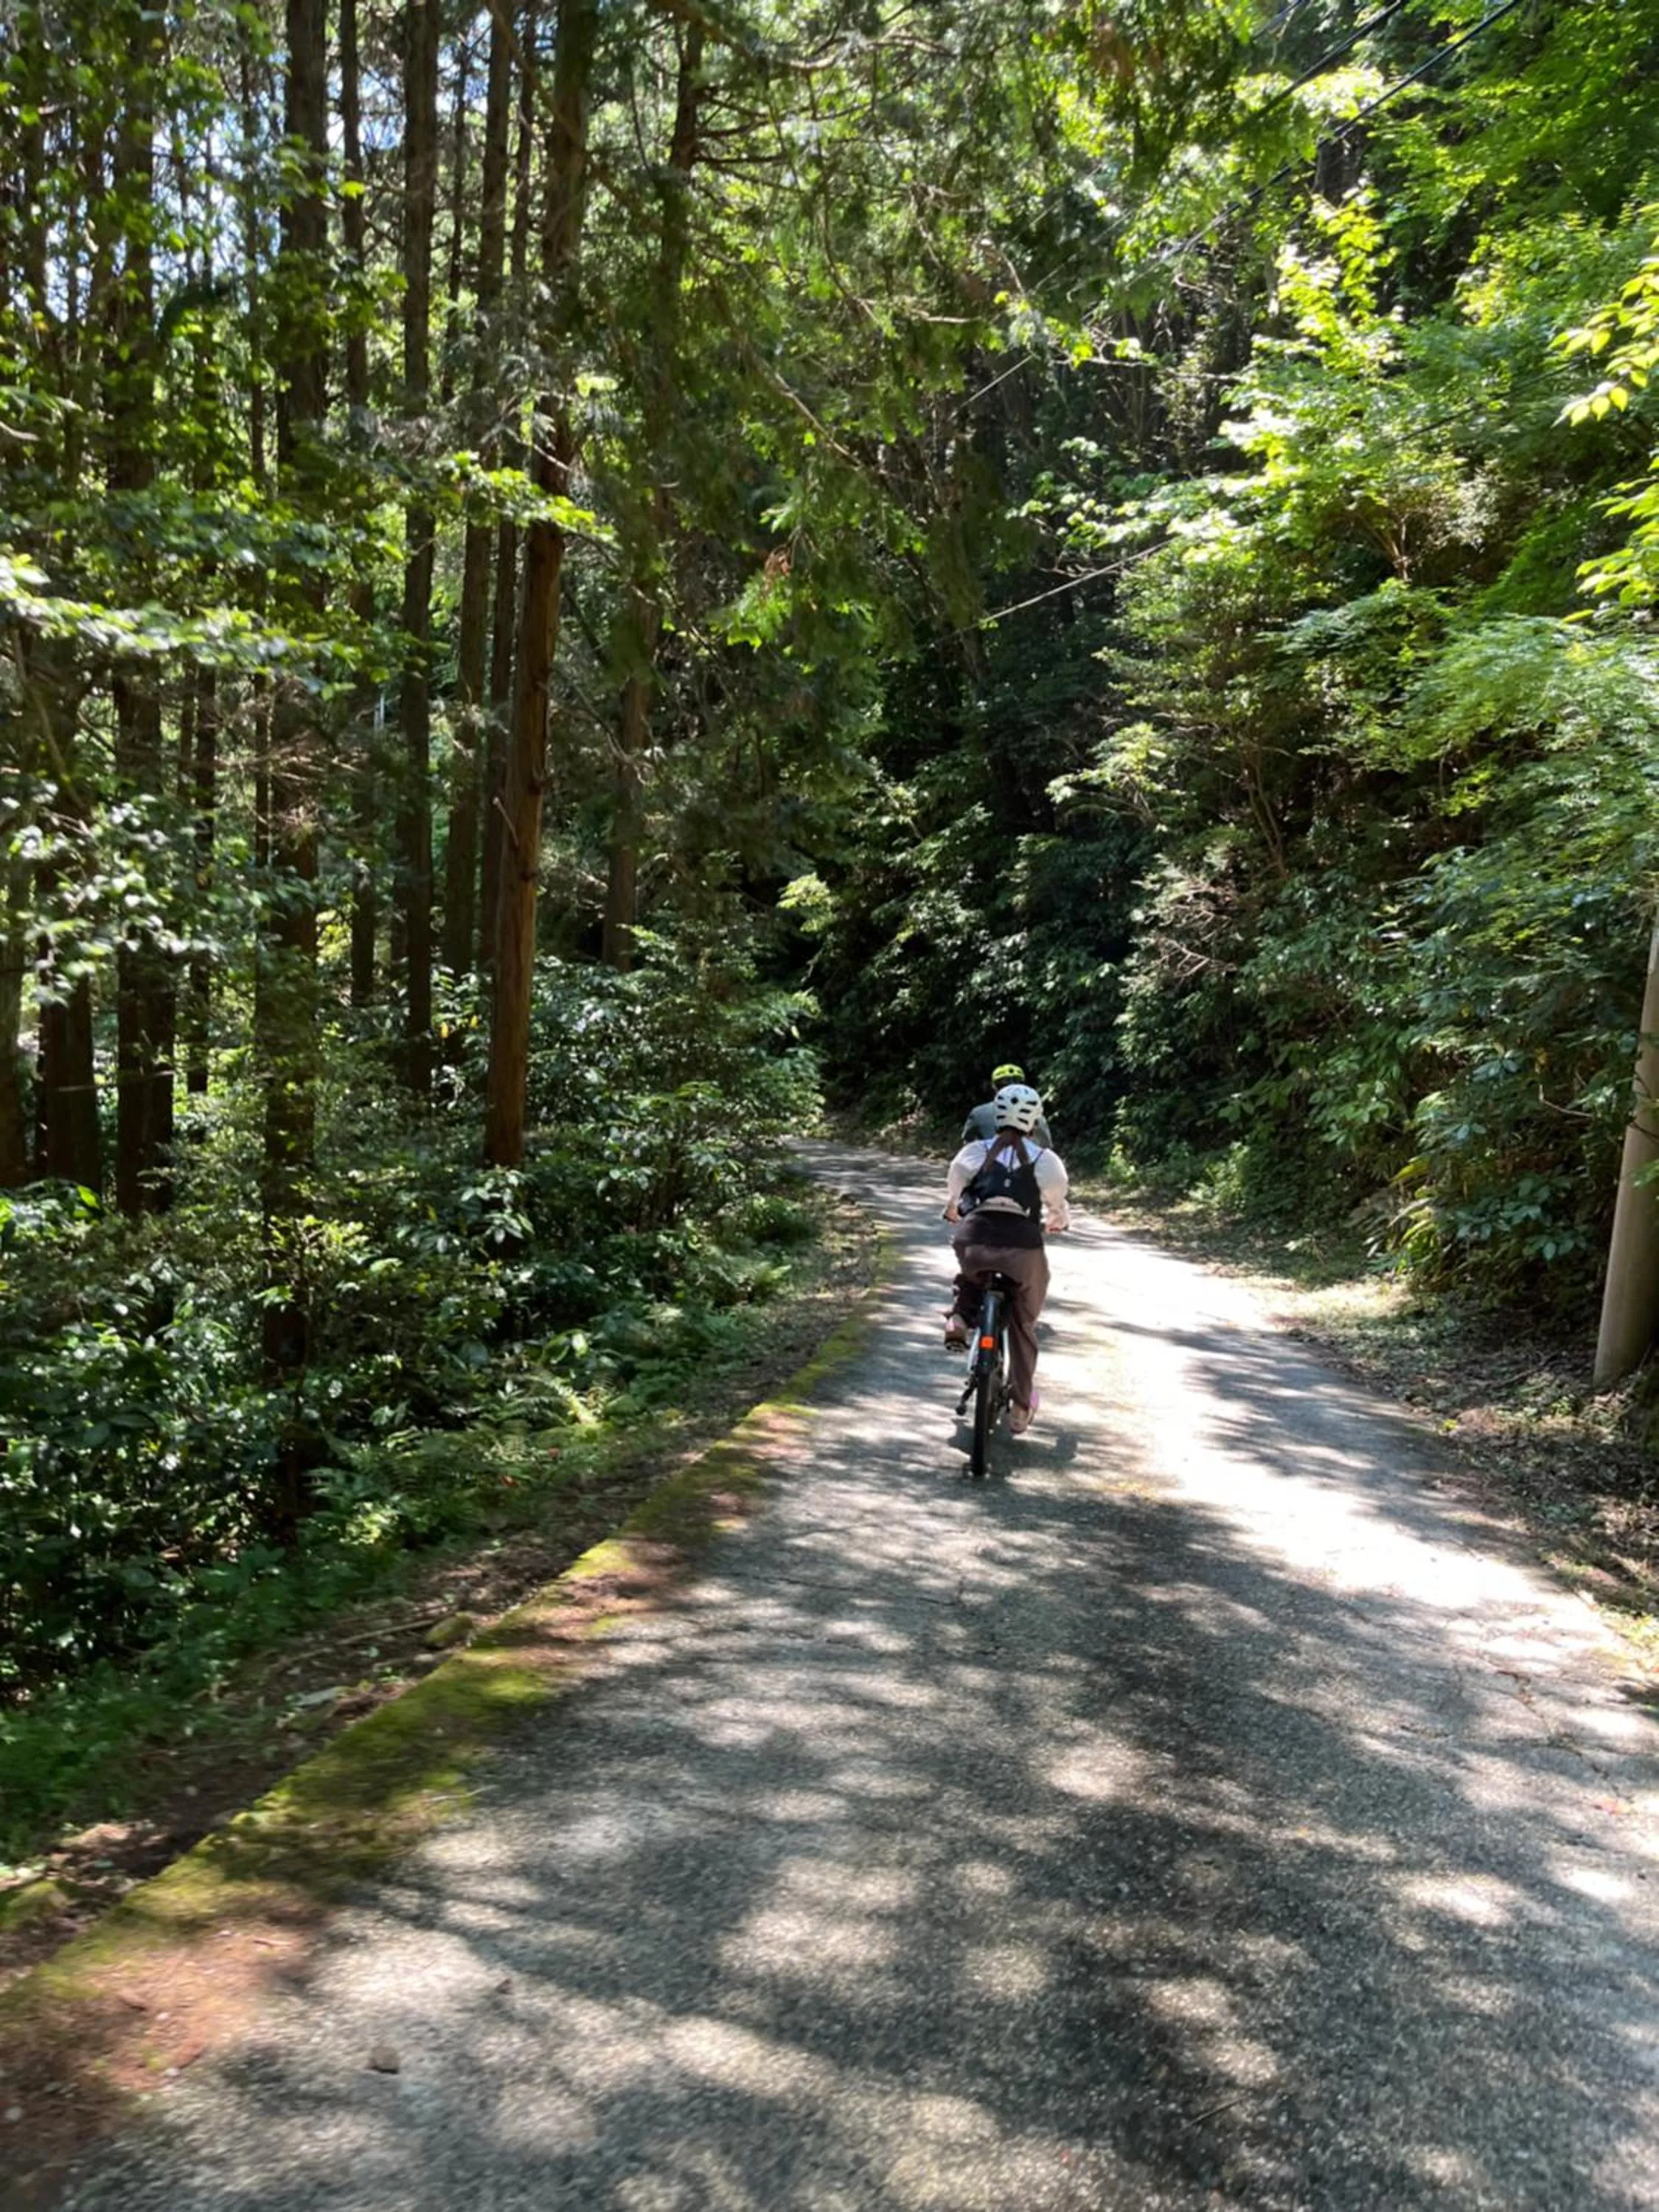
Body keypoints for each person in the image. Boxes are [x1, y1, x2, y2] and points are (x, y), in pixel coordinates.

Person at [942, 1082, 1068, 1435]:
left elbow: (954, 1192)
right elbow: (1057, 1203)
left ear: (997, 1116)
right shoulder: (1046, 1161)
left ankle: (959, 1317)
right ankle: (1021, 1407)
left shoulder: (973, 1152)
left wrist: (952, 1210)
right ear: (1035, 1121)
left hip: (975, 1238)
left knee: (971, 1275)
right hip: (1022, 1246)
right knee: (1023, 1323)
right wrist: (1057, 1220)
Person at [962, 1062, 1052, 1149]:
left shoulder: (978, 1113)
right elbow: (1046, 1146)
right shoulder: (1036, 1115)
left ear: (994, 1087)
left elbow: (968, 1143)